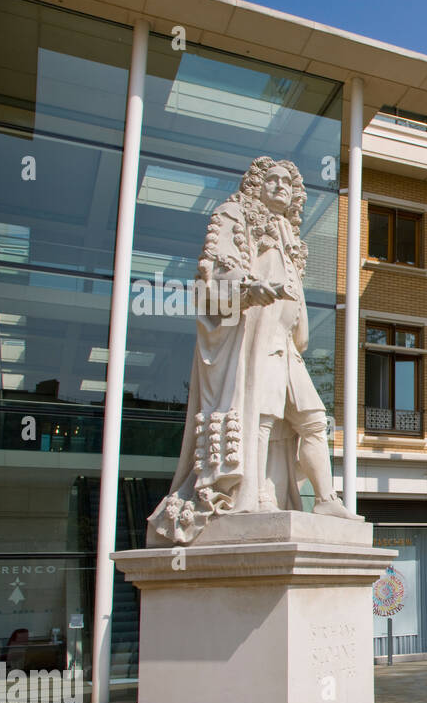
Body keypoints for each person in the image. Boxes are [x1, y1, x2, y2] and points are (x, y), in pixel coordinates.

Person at [148, 157, 358, 546]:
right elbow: (215, 273)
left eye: (288, 183)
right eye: (273, 179)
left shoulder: (289, 234)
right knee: (261, 413)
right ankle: (255, 495)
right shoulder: (234, 215)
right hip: (254, 339)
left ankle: (326, 499)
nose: (281, 187)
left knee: (312, 417)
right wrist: (248, 290)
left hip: (286, 344)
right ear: (257, 185)